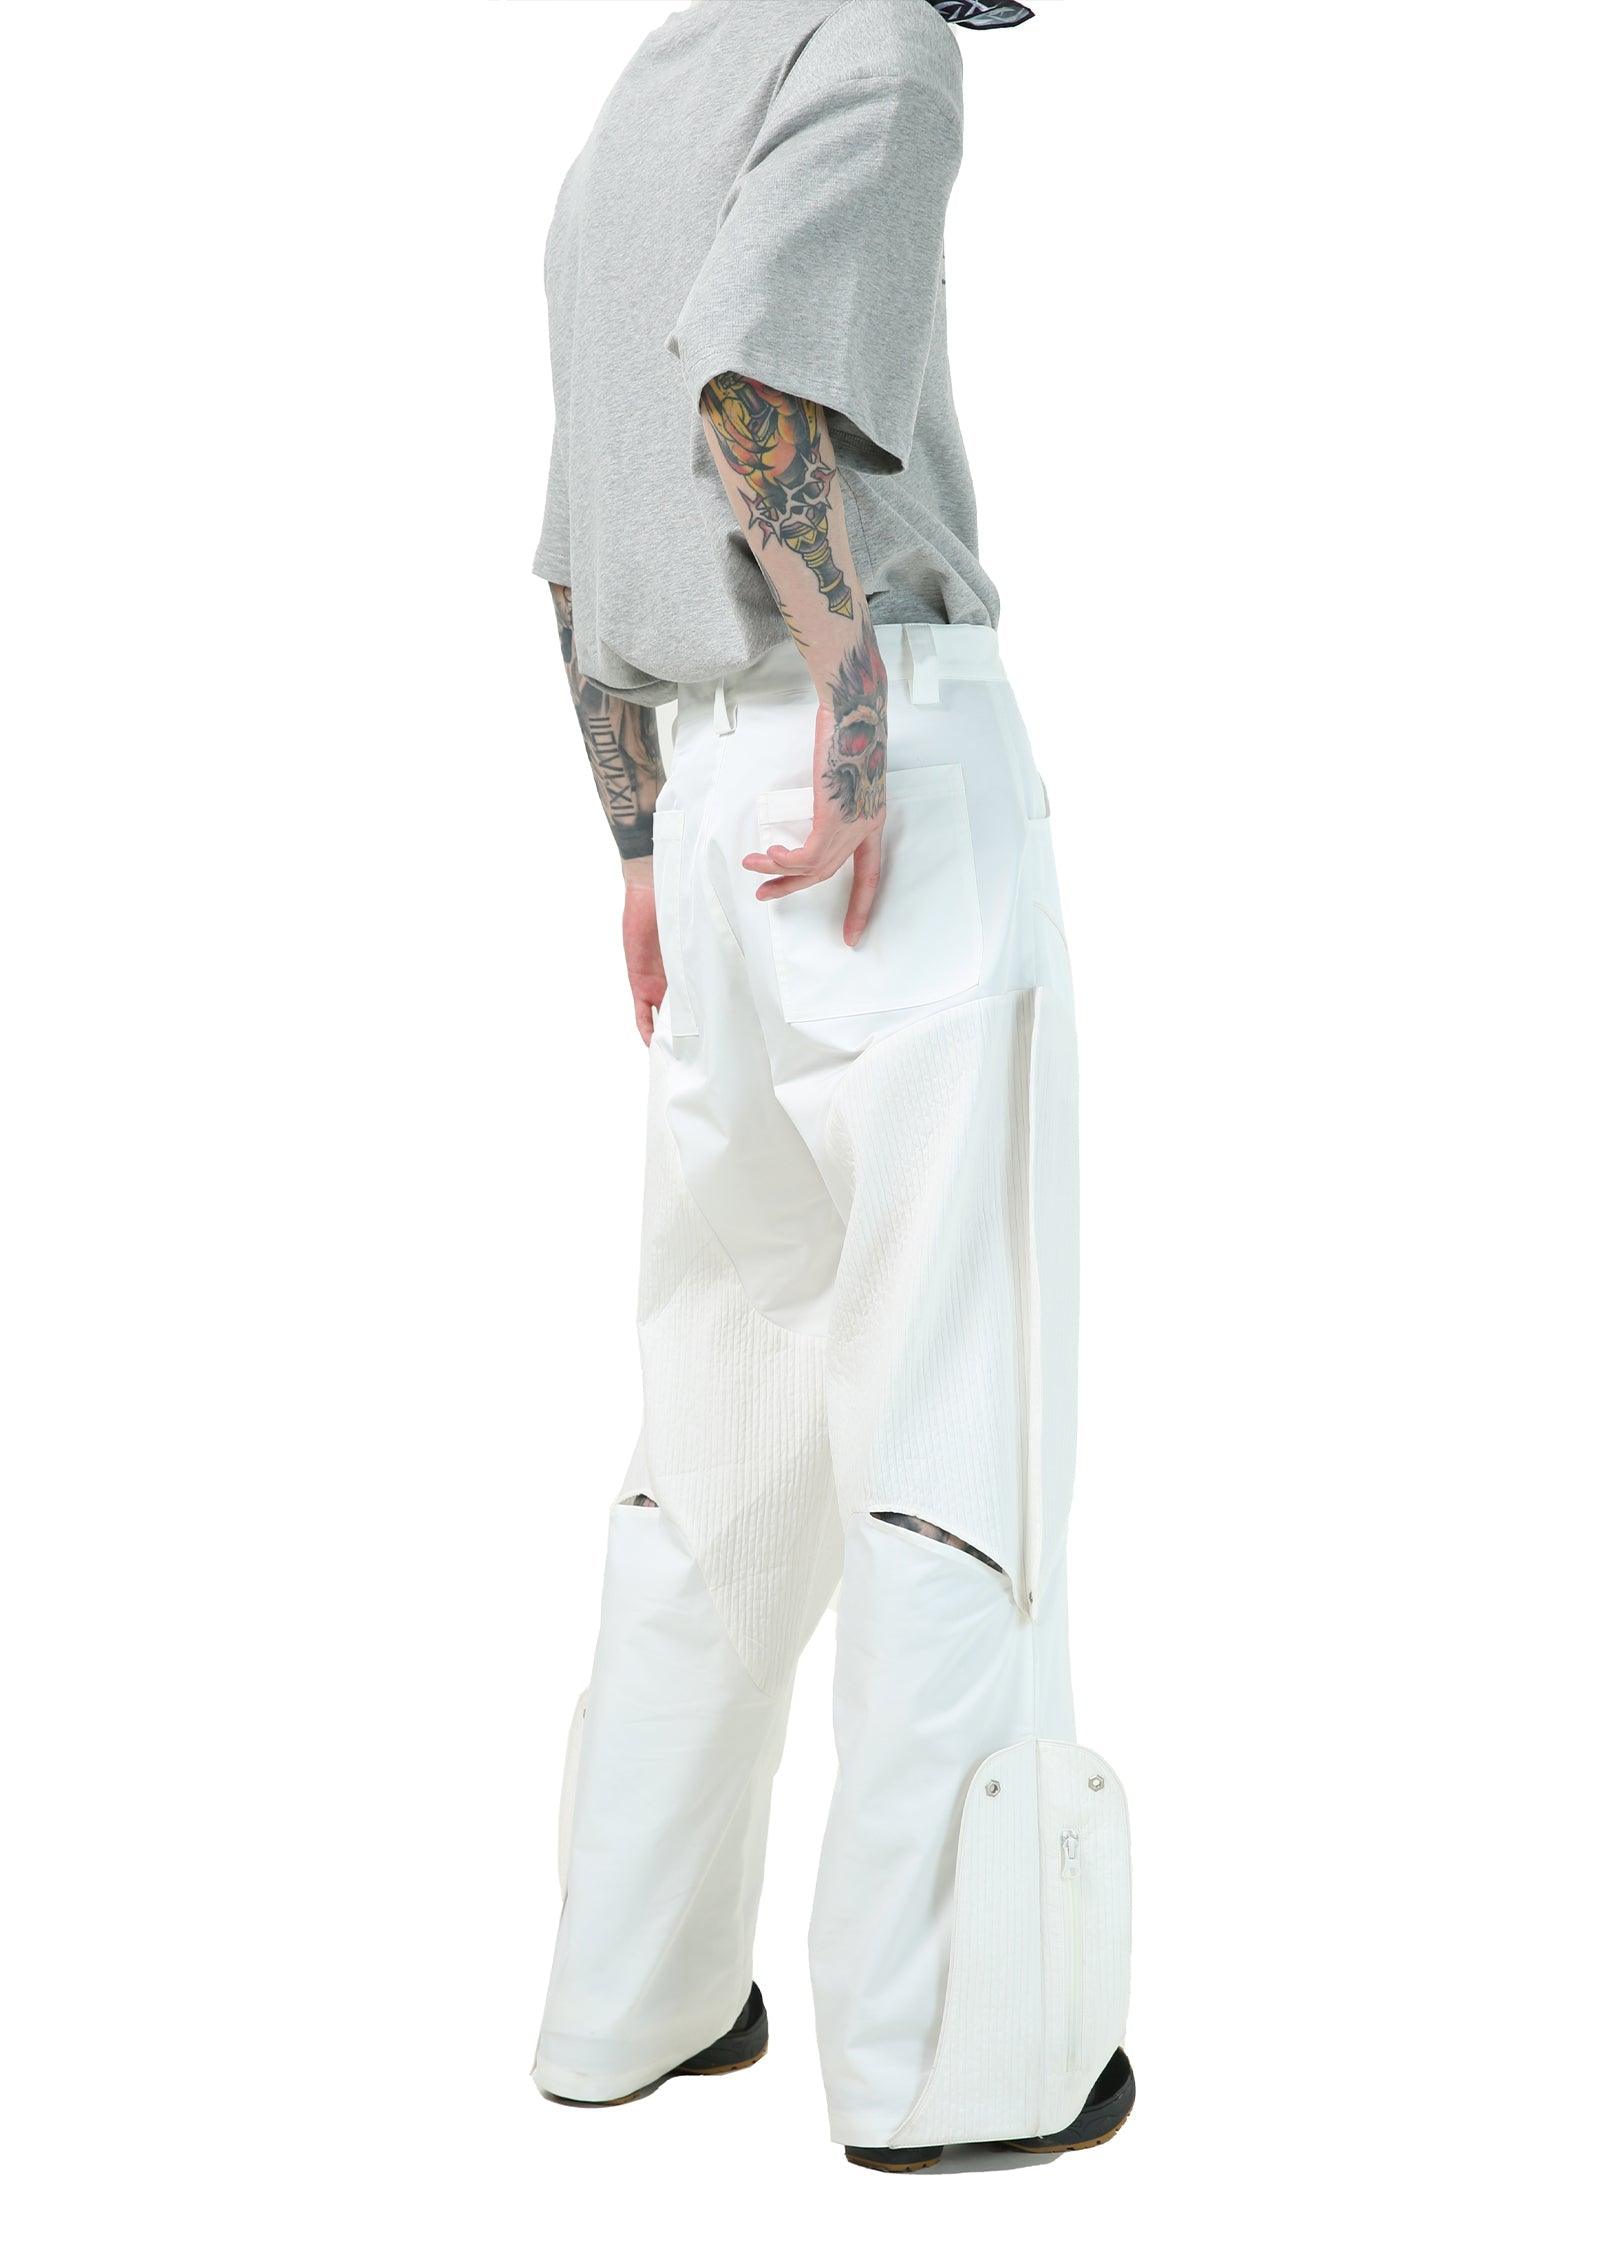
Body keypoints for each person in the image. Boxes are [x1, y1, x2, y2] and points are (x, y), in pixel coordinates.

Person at [530, 0, 1133, 2171]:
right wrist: (858, 705)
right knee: (952, 1393)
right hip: (878, 788)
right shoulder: (877, 42)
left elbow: (581, 536)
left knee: (721, 1411)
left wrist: (638, 847)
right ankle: (945, 2056)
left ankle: (631, 1995)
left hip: (700, 797)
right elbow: (752, 389)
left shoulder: (653, 91)